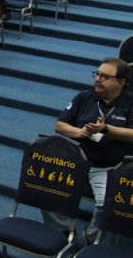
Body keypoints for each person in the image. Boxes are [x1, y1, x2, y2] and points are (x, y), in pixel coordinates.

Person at [44, 58, 133, 241]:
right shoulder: (84, 97)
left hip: (109, 168)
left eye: (105, 76)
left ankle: (89, 239)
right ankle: (64, 232)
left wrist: (106, 129)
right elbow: (60, 125)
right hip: (77, 161)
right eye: (97, 74)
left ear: (121, 82)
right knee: (46, 187)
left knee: (106, 206)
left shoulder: (130, 104)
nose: (98, 79)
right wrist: (79, 132)